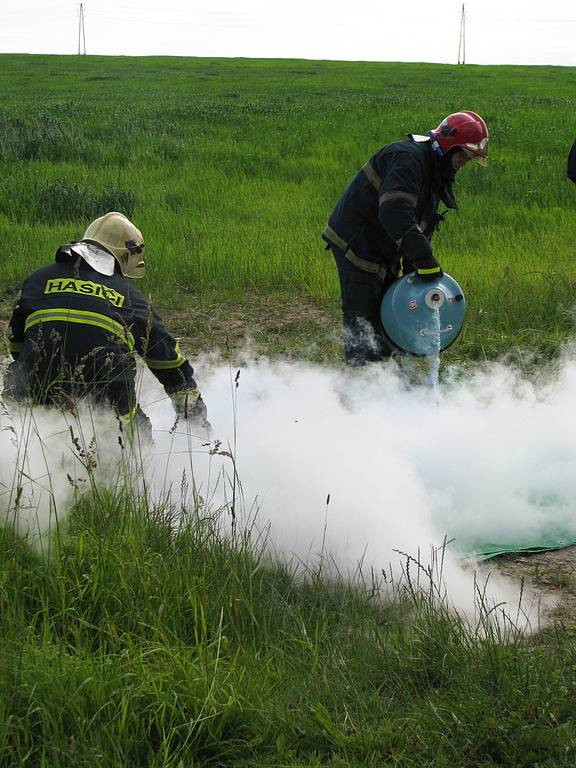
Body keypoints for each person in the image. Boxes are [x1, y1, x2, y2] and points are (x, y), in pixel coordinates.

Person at [4, 211, 209, 439]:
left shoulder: (37, 279)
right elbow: (171, 367)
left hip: (27, 408)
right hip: (109, 420)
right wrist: (199, 427)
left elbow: (16, 347)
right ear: (123, 258)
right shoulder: (132, 300)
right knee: (139, 450)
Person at [322, 111, 489, 365]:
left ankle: (386, 376)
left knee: (387, 316)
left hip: (383, 246)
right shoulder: (409, 159)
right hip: (358, 244)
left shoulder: (434, 170)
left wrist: (415, 273)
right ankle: (363, 382)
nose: (463, 163)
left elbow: (420, 222)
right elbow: (394, 211)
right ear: (447, 146)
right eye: (463, 156)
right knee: (364, 319)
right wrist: (424, 259)